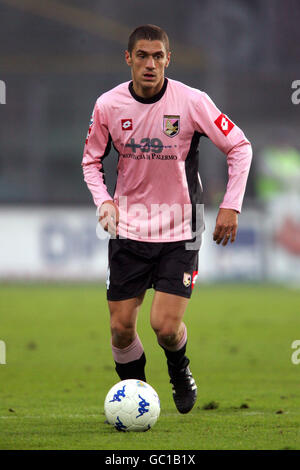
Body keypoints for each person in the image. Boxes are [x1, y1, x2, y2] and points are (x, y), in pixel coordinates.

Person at [82, 24, 252, 414]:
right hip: (128, 228)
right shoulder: (108, 106)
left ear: (168, 59)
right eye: (142, 55)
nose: (150, 64)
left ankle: (179, 369)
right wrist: (104, 201)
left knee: (164, 326)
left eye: (158, 56)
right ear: (128, 58)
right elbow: (91, 161)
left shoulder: (192, 102)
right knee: (121, 329)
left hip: (181, 228)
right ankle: (136, 401)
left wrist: (232, 204)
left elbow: (240, 147)